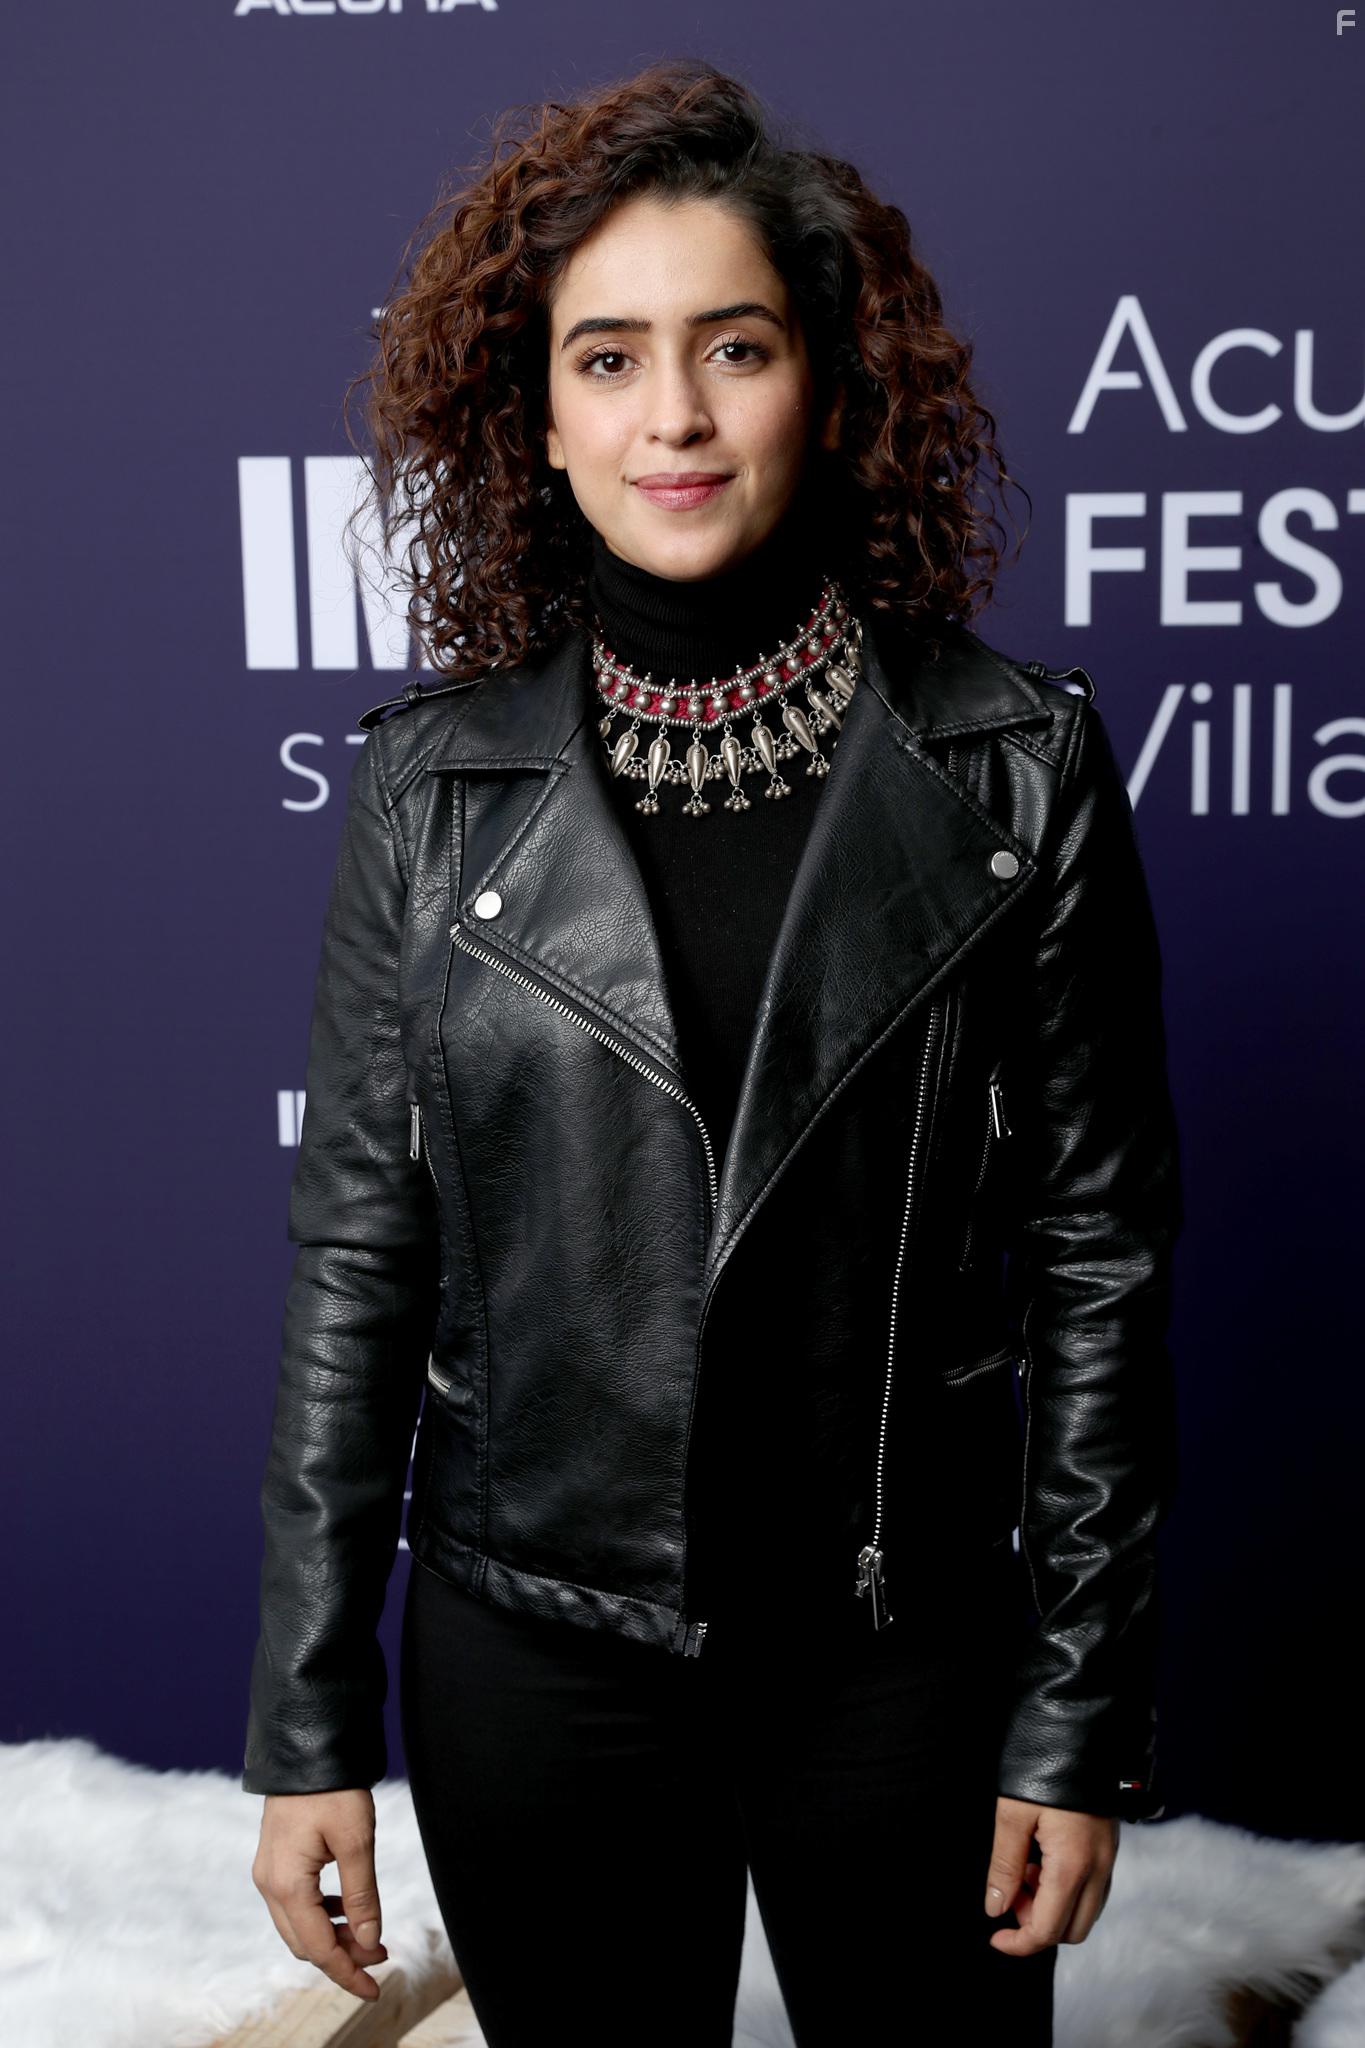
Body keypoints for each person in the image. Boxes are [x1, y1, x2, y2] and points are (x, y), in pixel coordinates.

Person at [243, 57, 1183, 2048]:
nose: (670, 416)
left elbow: (1098, 1256)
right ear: (539, 418)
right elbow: (354, 1259)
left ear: (825, 387)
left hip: (901, 1655)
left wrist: (1078, 1698)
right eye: (605, 359)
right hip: (533, 1653)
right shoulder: (427, 793)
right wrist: (301, 1719)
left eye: (729, 347)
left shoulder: (1013, 761)